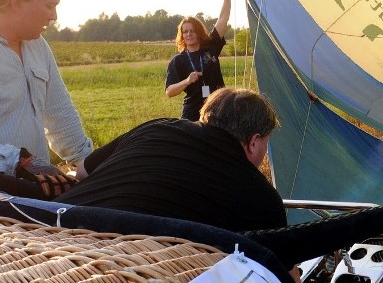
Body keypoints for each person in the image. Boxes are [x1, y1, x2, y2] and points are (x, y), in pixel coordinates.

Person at [54, 87, 287, 232]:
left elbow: (83, 171)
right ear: (254, 141)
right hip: (112, 264)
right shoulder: (261, 198)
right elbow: (285, 279)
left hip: (46, 229)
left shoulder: (157, 125)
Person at [0, 0, 93, 183]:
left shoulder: (38, 46)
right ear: (17, 2)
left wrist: (90, 164)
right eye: (49, 6)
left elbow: (60, 114)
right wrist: (19, 162)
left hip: (34, 191)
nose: (54, 16)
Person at [165, 0, 238, 121]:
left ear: (198, 32)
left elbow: (223, 18)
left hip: (218, 109)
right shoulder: (178, 61)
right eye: (185, 31)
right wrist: (187, 81)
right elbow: (170, 91)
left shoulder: (210, 47)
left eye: (192, 30)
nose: (189, 34)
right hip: (192, 114)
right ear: (182, 35)